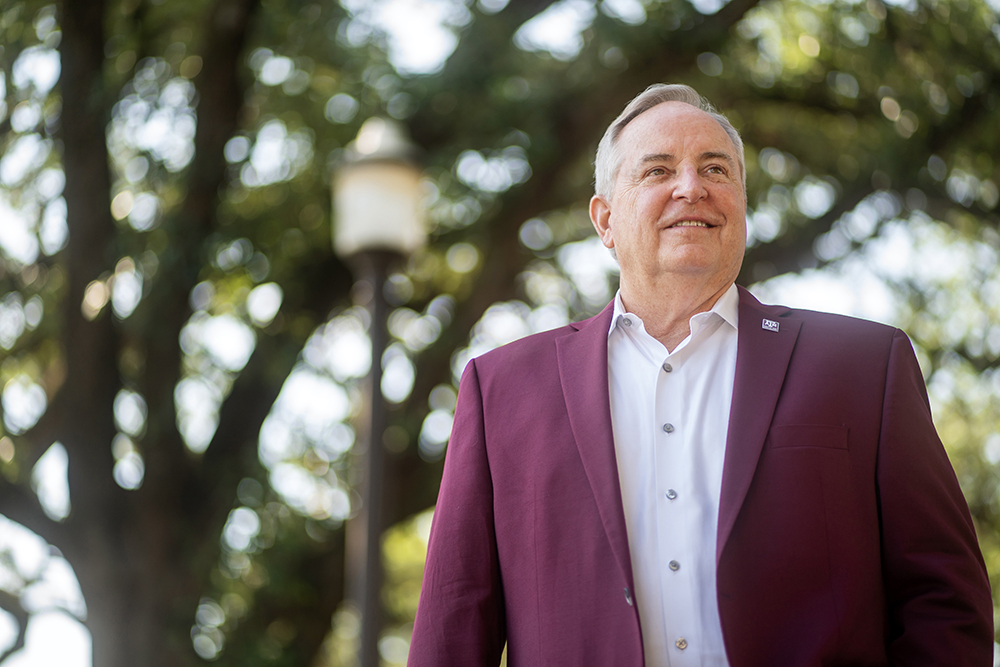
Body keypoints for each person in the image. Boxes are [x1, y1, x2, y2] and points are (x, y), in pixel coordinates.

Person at [407, 84, 993, 667]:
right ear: (605, 220)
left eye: (715, 168)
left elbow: (944, 602)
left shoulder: (865, 365)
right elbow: (453, 630)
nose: (692, 187)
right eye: (658, 170)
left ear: (741, 203)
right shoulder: (502, 389)